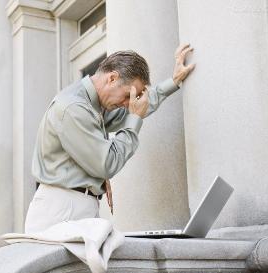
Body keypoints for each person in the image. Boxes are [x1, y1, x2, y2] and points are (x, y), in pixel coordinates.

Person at [24, 44, 196, 234]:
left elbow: (133, 108)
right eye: (126, 96)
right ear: (112, 78)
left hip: (72, 206)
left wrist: (173, 81)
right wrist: (135, 120)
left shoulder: (95, 105)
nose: (127, 103)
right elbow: (107, 163)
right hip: (61, 209)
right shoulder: (74, 108)